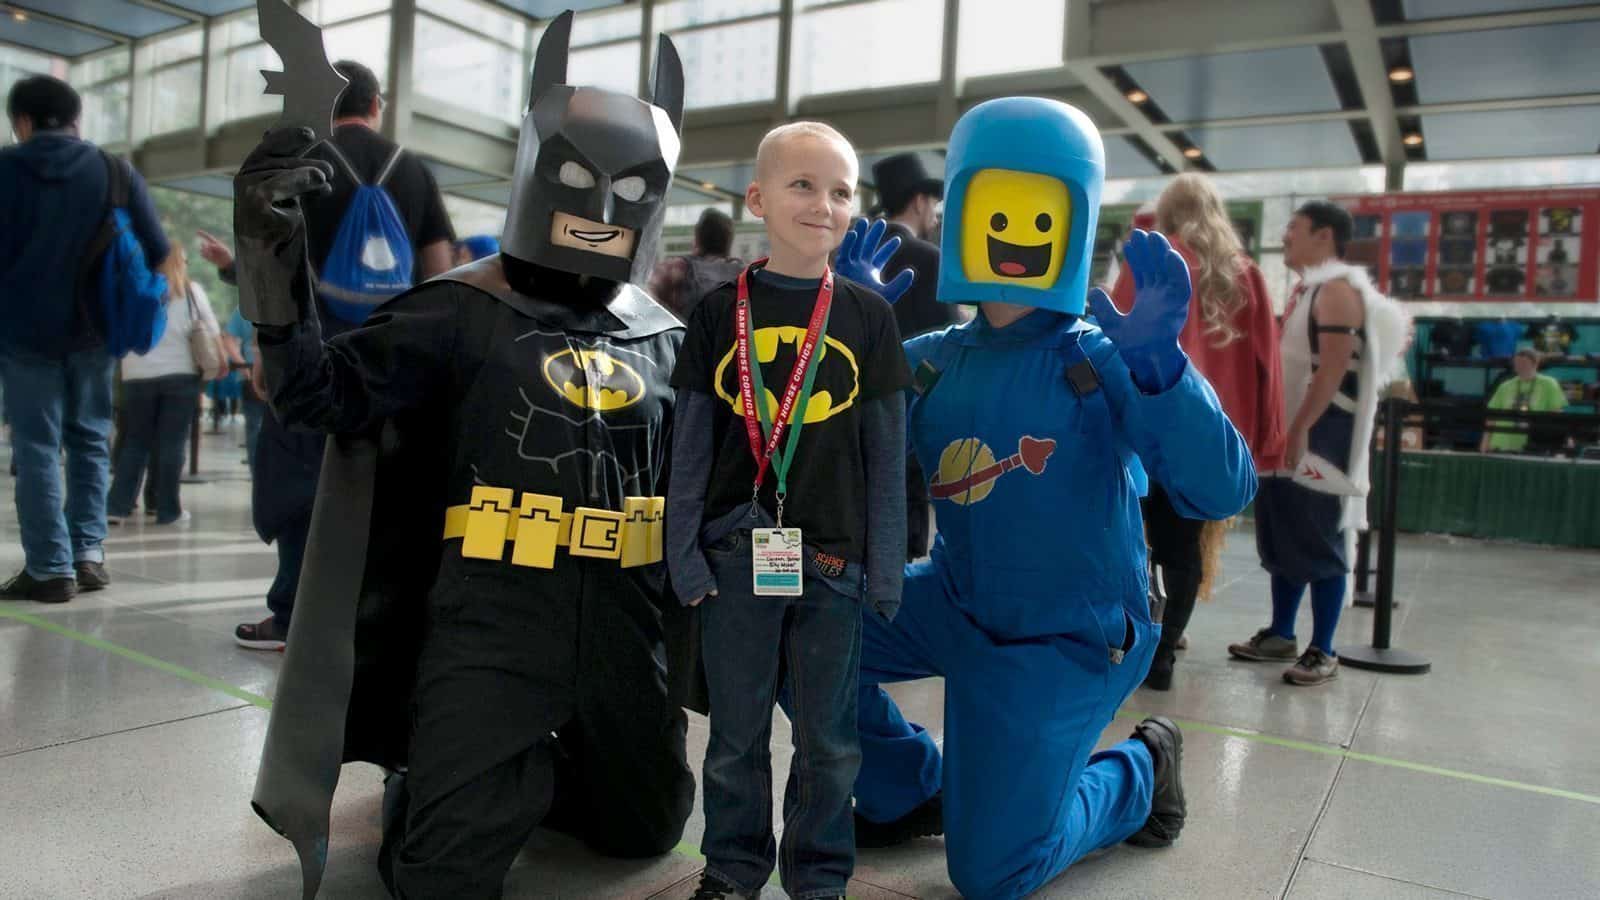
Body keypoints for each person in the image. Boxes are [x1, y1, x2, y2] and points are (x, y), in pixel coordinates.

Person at [238, 14, 695, 897]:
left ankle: (530, 765)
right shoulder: (457, 309)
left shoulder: (666, 335)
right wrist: (269, 264)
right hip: (493, 614)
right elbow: (314, 396)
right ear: (533, 168)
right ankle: (448, 765)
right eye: (572, 177)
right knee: (439, 877)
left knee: (643, 833)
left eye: (631, 186)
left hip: (626, 623)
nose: (600, 210)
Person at [849, 98, 1255, 899]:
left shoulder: (1104, 360)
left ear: (1070, 220)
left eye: (1040, 213)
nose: (1015, 232)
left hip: (1070, 635)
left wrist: (1163, 374)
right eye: (997, 208)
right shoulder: (926, 360)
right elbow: (827, 461)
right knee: (805, 626)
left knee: (993, 873)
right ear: (965, 208)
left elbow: (1220, 488)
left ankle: (1140, 772)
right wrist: (840, 338)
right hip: (954, 601)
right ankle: (911, 787)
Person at [667, 122, 908, 900]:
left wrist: (886, 566)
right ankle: (733, 871)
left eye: (841, 191)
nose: (823, 204)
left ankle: (819, 878)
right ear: (758, 198)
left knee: (830, 744)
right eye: (803, 185)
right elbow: (692, 449)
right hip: (737, 558)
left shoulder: (869, 319)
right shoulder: (716, 313)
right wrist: (683, 555)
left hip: (834, 565)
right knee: (734, 739)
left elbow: (885, 456)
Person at [234, 59, 455, 651]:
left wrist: (264, 346)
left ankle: (291, 612)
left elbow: (274, 262)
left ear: (325, 106)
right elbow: (439, 270)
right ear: (376, 104)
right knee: (392, 476)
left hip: (313, 343)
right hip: (395, 349)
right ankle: (380, 611)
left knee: (297, 473)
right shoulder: (411, 168)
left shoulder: (304, 165)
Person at [1111, 173, 1285, 691]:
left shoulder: (1148, 263)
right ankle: (1165, 653)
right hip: (1211, 436)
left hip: (1143, 424)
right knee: (1183, 547)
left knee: (1134, 540)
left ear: (1166, 214)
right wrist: (1267, 439)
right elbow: (1267, 365)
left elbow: (1112, 340)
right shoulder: (1245, 274)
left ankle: (1136, 638)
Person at [0, 75, 169, 602]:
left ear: (23, 122)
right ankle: (88, 555)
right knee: (91, 441)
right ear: (76, 120)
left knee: (36, 447)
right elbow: (158, 249)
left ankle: (50, 569)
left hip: (21, 335)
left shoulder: (3, 168)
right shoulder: (114, 170)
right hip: (95, 334)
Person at [1230, 201, 1409, 686]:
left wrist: (1302, 427)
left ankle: (1323, 647)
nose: (1285, 236)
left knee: (1319, 539)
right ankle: (1281, 633)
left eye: (1294, 228)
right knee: (1284, 535)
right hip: (1288, 434)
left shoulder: (1335, 292)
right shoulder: (1309, 291)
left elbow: (1331, 370)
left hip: (1321, 436)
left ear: (1324, 236)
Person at [870, 152, 953, 563]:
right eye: (933, 203)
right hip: (911, 416)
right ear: (919, 201)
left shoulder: (856, 254)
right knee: (904, 532)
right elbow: (948, 348)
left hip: (853, 414)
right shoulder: (930, 259)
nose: (936, 213)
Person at [105, 242, 218, 527]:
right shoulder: (191, 292)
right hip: (179, 375)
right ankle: (167, 510)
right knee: (172, 444)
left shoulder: (132, 290)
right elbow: (212, 331)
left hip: (137, 375)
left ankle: (116, 507)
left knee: (135, 442)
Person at [648, 207, 744, 320]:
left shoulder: (675, 268)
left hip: (686, 335)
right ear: (729, 239)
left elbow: (647, 298)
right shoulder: (744, 273)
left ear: (698, 235)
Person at [1481, 348, 1566, 453]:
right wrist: (1484, 445)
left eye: (1524, 363)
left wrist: (1561, 442)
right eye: (1517, 364)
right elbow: (1491, 418)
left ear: (1535, 364)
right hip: (1500, 444)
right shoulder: (1505, 386)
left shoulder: (1549, 384)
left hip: (1533, 446)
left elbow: (1557, 415)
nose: (1520, 367)